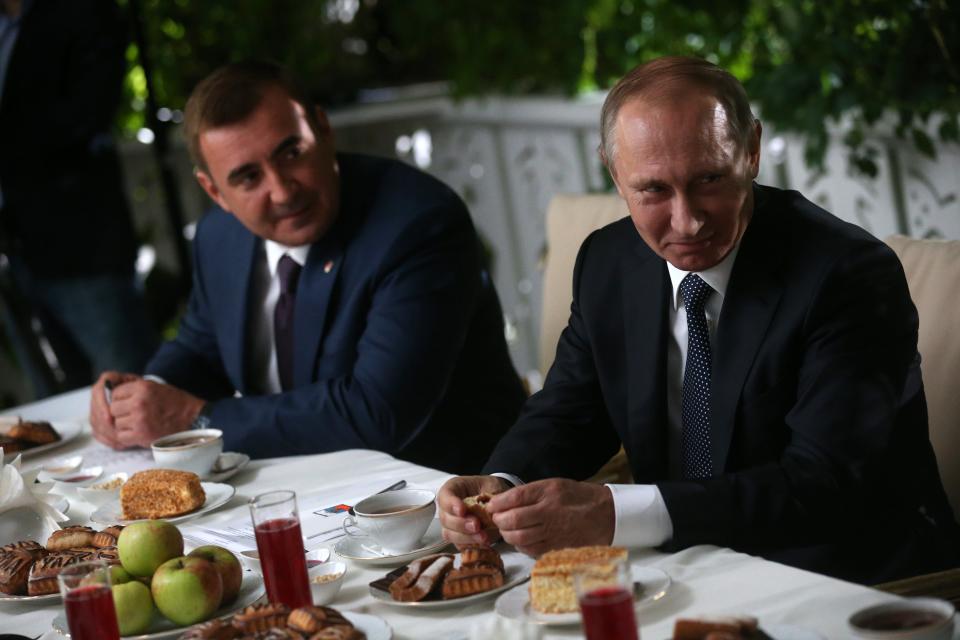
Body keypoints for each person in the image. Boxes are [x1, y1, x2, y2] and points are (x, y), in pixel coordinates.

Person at [438, 56, 959, 583]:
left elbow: (822, 485)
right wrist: (500, 483)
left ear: (751, 151)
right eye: (654, 190)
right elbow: (571, 411)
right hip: (682, 566)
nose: (687, 221)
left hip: (852, 575)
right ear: (614, 173)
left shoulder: (847, 275)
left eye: (709, 178)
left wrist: (616, 514)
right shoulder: (607, 261)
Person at [88, 60, 526, 474]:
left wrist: (195, 417)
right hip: (299, 484)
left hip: (446, 492)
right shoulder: (219, 236)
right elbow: (203, 345)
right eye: (247, 177)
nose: (281, 191)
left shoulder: (417, 223)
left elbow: (377, 412)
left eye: (291, 152)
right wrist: (138, 397)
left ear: (323, 129)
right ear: (215, 192)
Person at [0, 0, 157, 392]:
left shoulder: (81, 11)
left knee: (126, 383)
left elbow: (86, 114)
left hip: (79, 241)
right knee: (56, 402)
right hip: (16, 245)